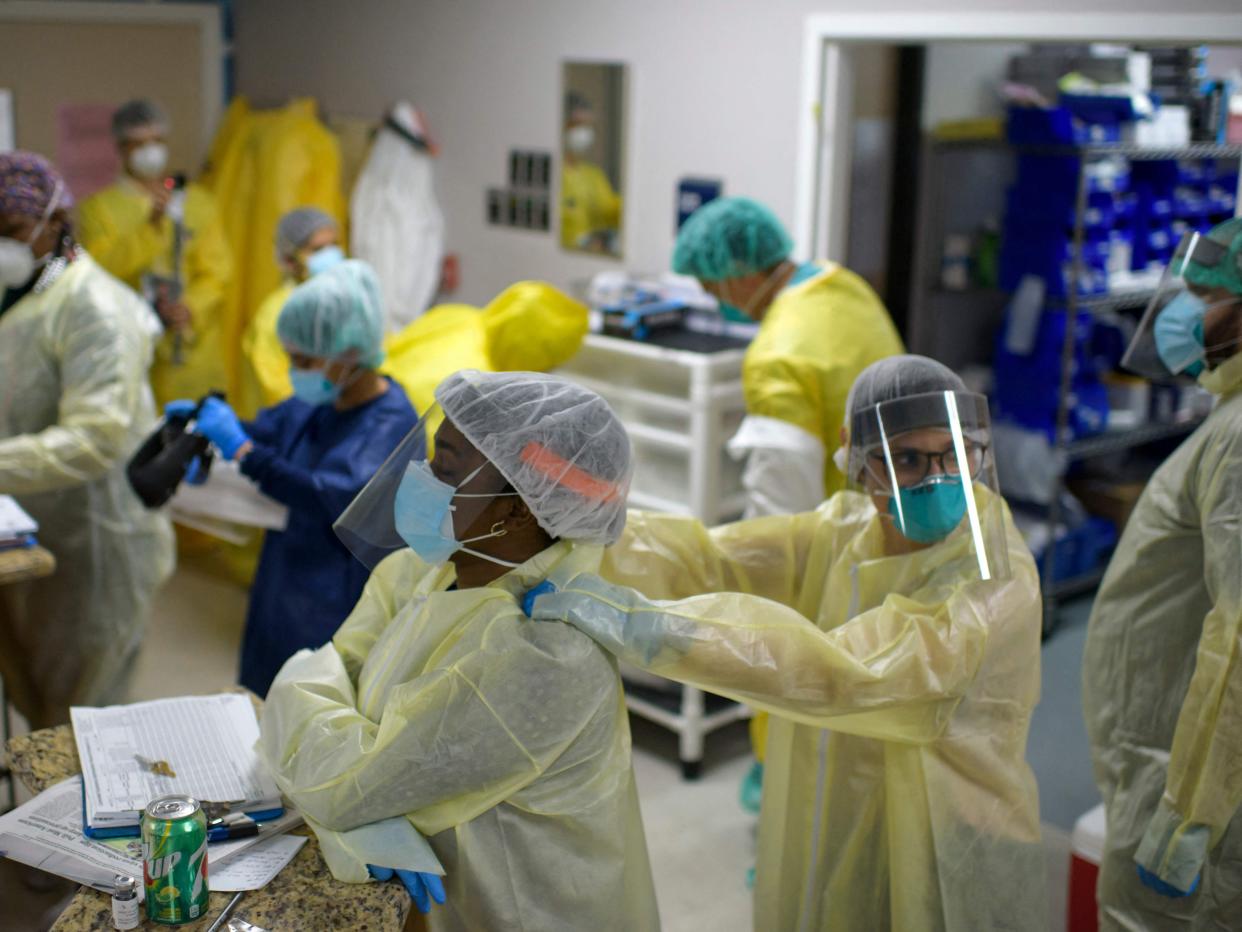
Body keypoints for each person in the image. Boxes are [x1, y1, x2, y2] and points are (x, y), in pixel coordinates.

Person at [529, 356, 1047, 931]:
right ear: (855, 457)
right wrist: (584, 521)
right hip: (828, 804)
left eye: (955, 454)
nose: (937, 478)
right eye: (906, 459)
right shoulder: (845, 531)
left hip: (943, 825)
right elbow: (712, 559)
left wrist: (646, 627)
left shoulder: (996, 576)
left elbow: (853, 672)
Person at [257, 370, 659, 931]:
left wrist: (311, 714)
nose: (420, 479)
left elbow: (345, 784)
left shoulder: (544, 653)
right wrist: (345, 759)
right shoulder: (426, 570)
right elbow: (339, 674)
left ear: (517, 509)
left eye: (445, 468)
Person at [673, 195, 904, 806]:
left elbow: (782, 513)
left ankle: (798, 858)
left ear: (740, 271)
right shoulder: (843, 287)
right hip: (896, 534)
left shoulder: (779, 354)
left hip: (833, 568)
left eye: (710, 281)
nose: (711, 295)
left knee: (807, 723)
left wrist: (731, 590)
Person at [1083, 218, 1242, 929]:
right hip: (1167, 750)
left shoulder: (1239, 441)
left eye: (1205, 297)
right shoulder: (1229, 417)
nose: (1183, 311)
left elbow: (1238, 645)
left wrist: (1190, 815)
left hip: (1182, 769)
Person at [175, 260, 418, 696]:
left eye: (304, 359)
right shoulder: (326, 398)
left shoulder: (389, 424)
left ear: (349, 353)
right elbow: (272, 427)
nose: (295, 370)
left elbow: (328, 494)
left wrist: (243, 451)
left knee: (313, 701)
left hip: (334, 592)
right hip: (286, 572)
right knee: (269, 689)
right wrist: (211, 424)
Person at [0, 152, 174, 728]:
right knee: (39, 707)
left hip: (98, 538)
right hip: (38, 523)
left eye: (12, 232)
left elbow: (95, 438)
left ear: (55, 222)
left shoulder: (93, 307)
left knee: (84, 724)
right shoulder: (22, 296)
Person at [78, 99, 233, 406]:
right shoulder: (99, 209)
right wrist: (150, 228)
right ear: (121, 148)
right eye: (139, 143)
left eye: (157, 141)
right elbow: (99, 271)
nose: (150, 151)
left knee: (197, 436)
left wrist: (191, 307)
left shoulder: (198, 203)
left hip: (191, 353)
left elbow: (218, 271)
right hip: (129, 349)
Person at [243, 206, 344, 410]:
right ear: (289, 261)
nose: (331, 255)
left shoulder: (344, 296)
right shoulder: (276, 314)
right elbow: (277, 388)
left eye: (334, 245)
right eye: (318, 250)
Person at [560, 93, 622, 253]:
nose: (584, 133)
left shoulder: (593, 175)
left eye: (588, 126)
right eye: (577, 125)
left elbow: (612, 210)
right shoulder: (554, 177)